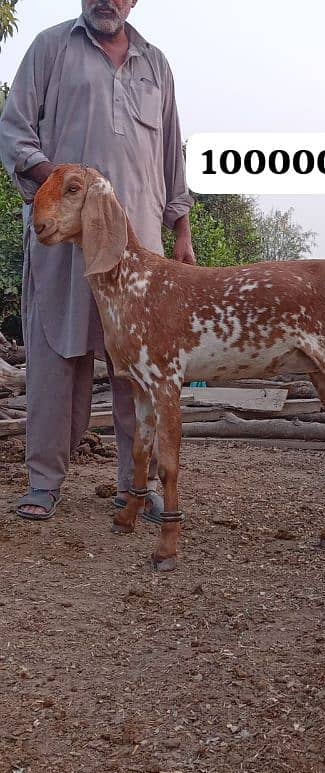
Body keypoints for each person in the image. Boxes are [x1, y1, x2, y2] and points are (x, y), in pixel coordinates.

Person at [0, 0, 195, 520]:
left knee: (140, 367)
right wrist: (57, 181)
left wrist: (181, 227)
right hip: (64, 238)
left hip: (140, 245)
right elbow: (15, 130)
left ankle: (138, 487)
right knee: (55, 356)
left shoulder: (156, 64)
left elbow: (172, 153)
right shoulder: (50, 47)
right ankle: (43, 481)